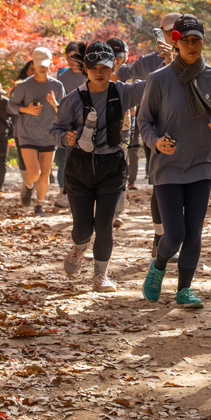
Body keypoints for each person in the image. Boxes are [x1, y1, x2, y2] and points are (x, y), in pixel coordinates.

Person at [139, 14, 211, 308]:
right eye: (186, 40)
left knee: (193, 232)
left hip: (200, 164)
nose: (192, 46)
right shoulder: (159, 79)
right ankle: (159, 261)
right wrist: (155, 142)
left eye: (197, 40)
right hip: (167, 166)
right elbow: (144, 122)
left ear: (203, 42)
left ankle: (184, 289)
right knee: (175, 233)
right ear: (175, 42)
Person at [50, 41, 147, 292]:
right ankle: (78, 247)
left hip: (112, 165)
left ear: (113, 65)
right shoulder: (74, 98)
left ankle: (100, 275)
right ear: (86, 68)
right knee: (83, 228)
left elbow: (155, 85)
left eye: (104, 67)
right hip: (80, 167)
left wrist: (171, 59)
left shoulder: (123, 92)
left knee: (105, 225)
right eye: (94, 68)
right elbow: (55, 129)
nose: (99, 72)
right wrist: (65, 138)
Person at [118, 12, 180, 254]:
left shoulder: (195, 58)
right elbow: (120, 76)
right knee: (160, 183)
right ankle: (160, 237)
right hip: (153, 129)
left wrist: (175, 59)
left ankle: (176, 235)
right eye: (168, 31)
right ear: (159, 33)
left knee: (183, 184)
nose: (174, 36)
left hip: (187, 130)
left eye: (180, 31)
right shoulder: (148, 61)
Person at [8, 48, 65, 215]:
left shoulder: (57, 86)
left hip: (48, 135)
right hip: (28, 134)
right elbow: (11, 106)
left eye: (45, 65)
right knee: (34, 173)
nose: (42, 68)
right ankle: (28, 186)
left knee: (45, 174)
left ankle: (39, 205)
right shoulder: (24, 86)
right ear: (33, 64)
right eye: (39, 65)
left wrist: (55, 104)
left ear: (50, 65)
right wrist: (26, 109)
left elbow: (65, 111)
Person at [55, 41, 87, 203]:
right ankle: (64, 192)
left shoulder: (90, 75)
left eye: (75, 56)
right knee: (62, 159)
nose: (72, 60)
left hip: (88, 124)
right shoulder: (62, 79)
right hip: (67, 125)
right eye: (69, 57)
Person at [107, 38, 131, 227]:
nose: (116, 60)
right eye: (113, 56)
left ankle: (117, 211)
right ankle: (103, 209)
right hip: (100, 128)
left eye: (119, 57)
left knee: (120, 169)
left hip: (123, 128)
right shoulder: (97, 72)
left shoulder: (129, 75)